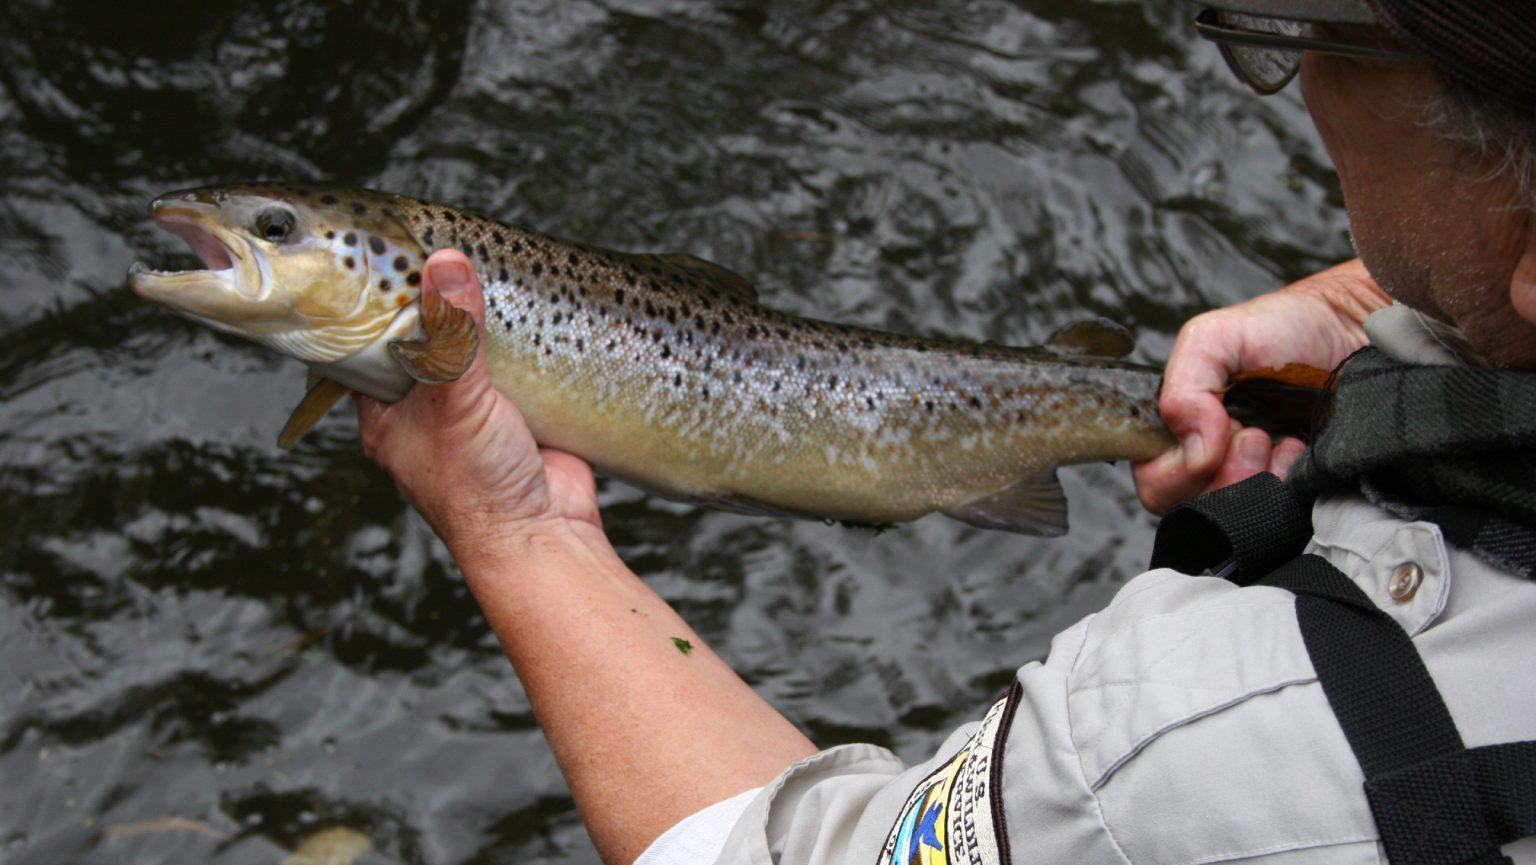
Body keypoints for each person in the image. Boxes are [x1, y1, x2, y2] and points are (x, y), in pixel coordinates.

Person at [355, 1, 1536, 862]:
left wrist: (515, 530)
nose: (1303, 80)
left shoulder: (1168, 753)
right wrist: (1403, 303)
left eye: (1316, 36)